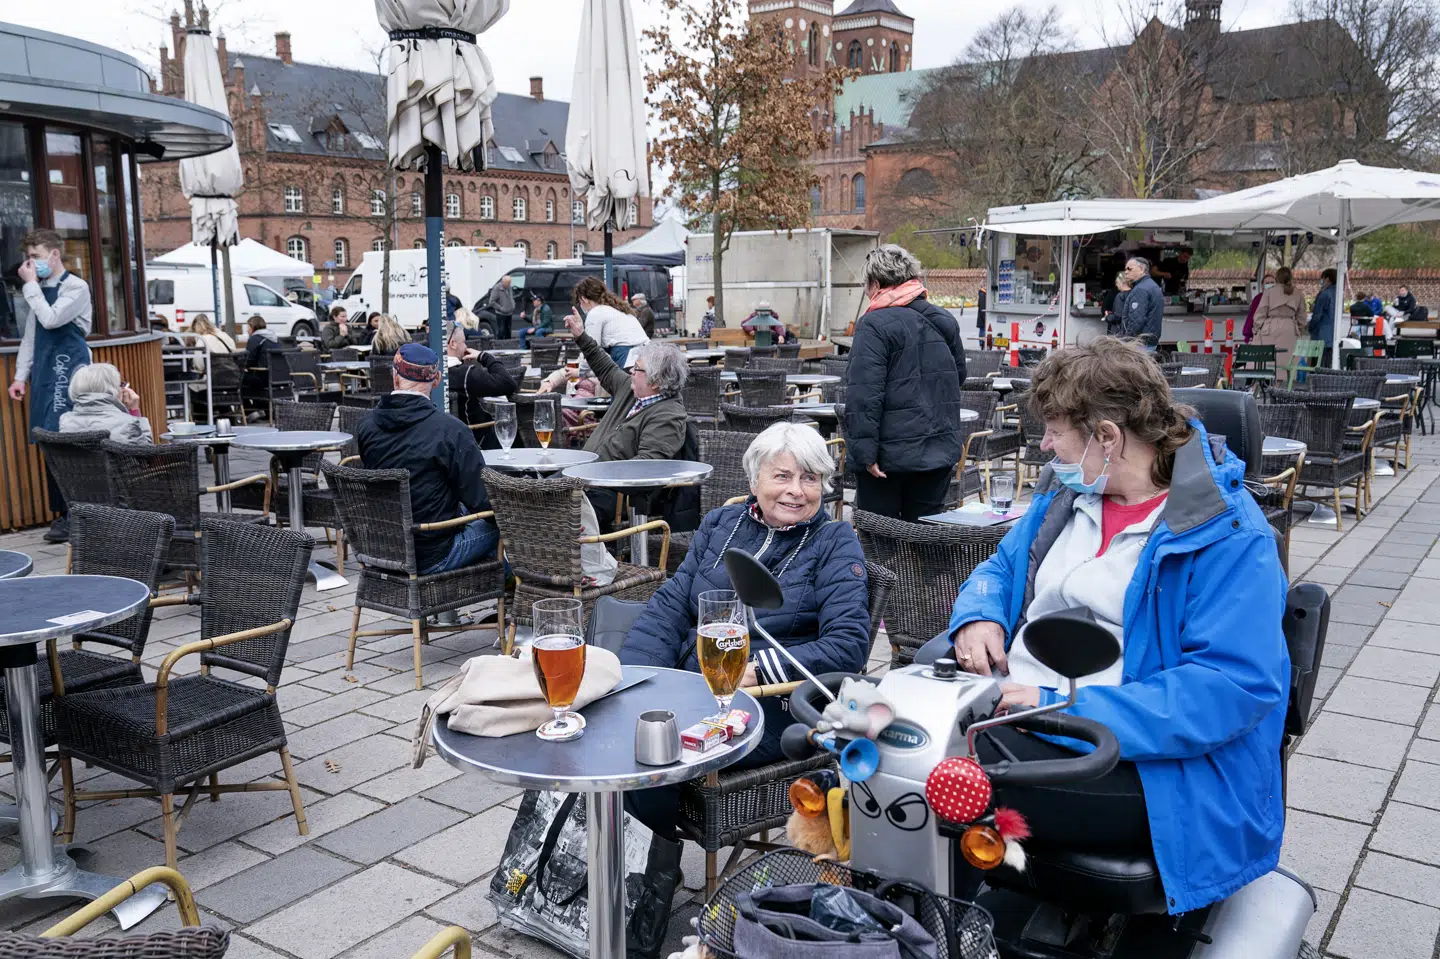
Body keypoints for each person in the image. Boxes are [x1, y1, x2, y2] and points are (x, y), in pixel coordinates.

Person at [934, 337, 1288, 916]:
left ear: (1107, 437)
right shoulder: (1066, 495)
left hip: (1150, 765)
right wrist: (978, 615)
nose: (1044, 445)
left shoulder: (1228, 535)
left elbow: (1228, 689)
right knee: (897, 727)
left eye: (1055, 431)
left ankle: (932, 925)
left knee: (944, 769)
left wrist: (1059, 708)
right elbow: (1001, 567)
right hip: (1022, 712)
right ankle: (926, 923)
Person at [619, 422, 871, 954]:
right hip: (693, 686)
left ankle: (637, 904)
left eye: (809, 478)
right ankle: (605, 868)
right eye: (782, 476)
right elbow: (670, 606)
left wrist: (761, 669)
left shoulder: (833, 541)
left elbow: (848, 645)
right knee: (621, 726)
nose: (796, 491)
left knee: (653, 755)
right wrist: (636, 678)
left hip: (774, 706)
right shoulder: (722, 523)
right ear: (754, 479)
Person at [843, 244, 966, 522]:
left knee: (881, 536)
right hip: (938, 452)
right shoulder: (944, 319)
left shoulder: (873, 324)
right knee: (924, 535)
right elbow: (958, 377)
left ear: (875, 284)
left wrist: (865, 455)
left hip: (888, 458)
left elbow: (864, 395)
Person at [354, 343, 500, 573]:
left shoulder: (366, 426)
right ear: (437, 379)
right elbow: (483, 501)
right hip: (432, 556)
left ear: (394, 377)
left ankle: (502, 582)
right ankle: (511, 584)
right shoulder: (450, 430)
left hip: (381, 549)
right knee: (505, 522)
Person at [6, 229, 92, 542]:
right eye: (28, 258)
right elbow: (31, 337)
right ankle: (62, 513)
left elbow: (52, 319)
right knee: (48, 439)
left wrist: (30, 286)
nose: (31, 264)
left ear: (54, 255)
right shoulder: (38, 290)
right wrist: (20, 376)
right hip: (45, 372)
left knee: (70, 439)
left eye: (36, 257)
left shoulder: (76, 287)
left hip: (71, 371)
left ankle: (79, 514)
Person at [444, 323, 518, 442]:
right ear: (453, 344)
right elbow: (508, 383)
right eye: (463, 342)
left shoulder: (431, 373)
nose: (466, 347)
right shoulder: (465, 375)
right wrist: (483, 356)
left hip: (447, 440)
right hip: (476, 440)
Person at [59, 362, 151, 443]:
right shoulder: (128, 424)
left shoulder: (66, 421)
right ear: (112, 389)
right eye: (120, 385)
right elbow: (147, 452)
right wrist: (134, 412)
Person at [571, 276, 649, 368]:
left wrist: (576, 371)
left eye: (580, 302)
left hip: (626, 357)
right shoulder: (619, 309)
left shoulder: (595, 312)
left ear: (584, 298)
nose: (581, 306)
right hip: (647, 354)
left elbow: (591, 352)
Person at [1250, 267, 1307, 357]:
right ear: (1290, 277)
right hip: (1290, 328)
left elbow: (1261, 313)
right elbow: (1302, 317)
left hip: (1270, 327)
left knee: (1269, 358)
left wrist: (1256, 329)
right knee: (1288, 358)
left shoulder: (1269, 292)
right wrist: (1299, 329)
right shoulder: (1298, 293)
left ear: (1277, 278)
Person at [240, 315, 281, 418]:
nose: (247, 330)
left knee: (237, 380)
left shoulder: (255, 339)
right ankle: (263, 409)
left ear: (253, 327)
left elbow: (248, 361)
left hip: (262, 378)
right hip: (278, 378)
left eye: (248, 327)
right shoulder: (274, 338)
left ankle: (250, 412)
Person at [1120, 256, 1164, 349]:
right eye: (1125, 269)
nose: (1126, 272)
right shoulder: (1152, 285)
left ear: (1141, 270)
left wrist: (1126, 341)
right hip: (1149, 340)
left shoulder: (1141, 290)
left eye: (1129, 269)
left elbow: (1136, 321)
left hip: (1139, 343)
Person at [1307, 268, 1338, 364]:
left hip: (1320, 334)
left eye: (1322, 279)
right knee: (1328, 363)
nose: (1322, 281)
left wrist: (1310, 327)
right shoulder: (1339, 293)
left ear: (1327, 279)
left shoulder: (1325, 294)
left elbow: (1317, 315)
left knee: (1317, 364)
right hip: (1333, 335)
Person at [478, 274, 517, 338]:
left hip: (509, 313)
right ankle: (500, 343)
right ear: (503, 282)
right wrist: (500, 308)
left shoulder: (509, 287)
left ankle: (508, 343)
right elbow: (491, 301)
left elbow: (511, 297)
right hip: (501, 314)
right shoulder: (497, 288)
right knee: (501, 331)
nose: (509, 285)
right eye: (507, 283)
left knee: (508, 332)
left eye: (509, 283)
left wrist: (513, 304)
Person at [1241, 273, 1272, 343]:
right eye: (1267, 283)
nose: (1270, 284)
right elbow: (1252, 316)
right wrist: (1248, 334)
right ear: (1262, 286)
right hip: (1261, 334)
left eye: (1272, 282)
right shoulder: (1258, 298)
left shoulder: (1280, 299)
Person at [1104, 272, 1131, 337]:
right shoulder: (1134, 293)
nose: (1116, 284)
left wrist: (1107, 316)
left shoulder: (1120, 296)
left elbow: (1117, 316)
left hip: (1119, 331)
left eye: (1117, 282)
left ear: (1122, 283)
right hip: (1130, 329)